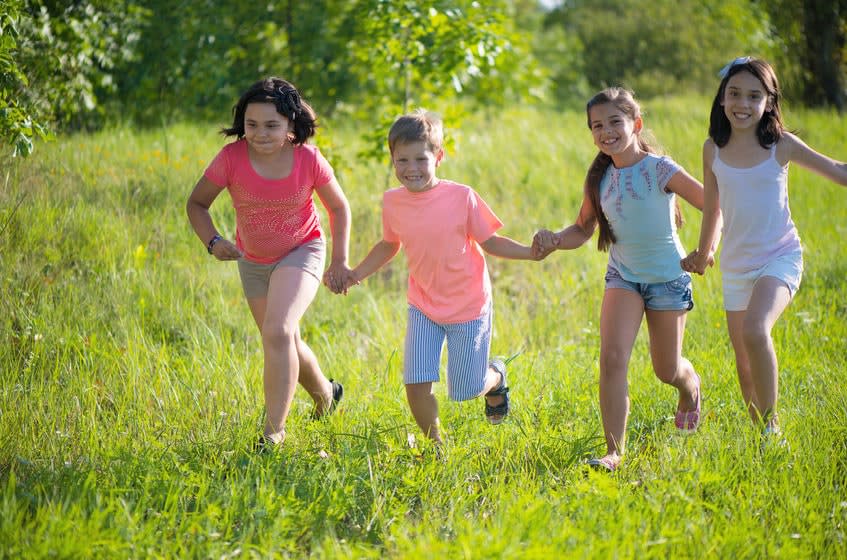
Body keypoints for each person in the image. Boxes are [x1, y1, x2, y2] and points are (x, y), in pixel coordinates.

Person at [330, 109, 546, 446]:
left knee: (467, 389)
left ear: (439, 157)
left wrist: (529, 252)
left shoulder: (462, 197)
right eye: (402, 160)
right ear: (392, 159)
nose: (411, 169)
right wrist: (356, 274)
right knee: (416, 383)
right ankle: (437, 446)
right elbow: (389, 245)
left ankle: (497, 375)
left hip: (468, 305)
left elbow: (490, 242)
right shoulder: (392, 201)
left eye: (420, 159)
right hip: (424, 305)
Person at [534, 87, 714, 472]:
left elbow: (710, 203)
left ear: (636, 124)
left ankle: (690, 385)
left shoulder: (660, 168)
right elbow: (582, 230)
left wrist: (705, 249)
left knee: (666, 369)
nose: (606, 131)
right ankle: (614, 452)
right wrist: (553, 240)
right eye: (597, 125)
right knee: (612, 359)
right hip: (624, 277)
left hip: (668, 278)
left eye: (614, 121)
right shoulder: (599, 178)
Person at [681, 57, 847, 440]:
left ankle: (773, 430)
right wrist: (705, 252)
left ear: (769, 102)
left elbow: (837, 170)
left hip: (780, 257)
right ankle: (760, 438)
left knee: (756, 330)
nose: (742, 103)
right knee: (744, 366)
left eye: (754, 96)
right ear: (722, 99)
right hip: (737, 266)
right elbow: (713, 207)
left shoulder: (781, 146)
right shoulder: (713, 150)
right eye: (734, 93)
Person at [186, 77, 356, 449]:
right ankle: (327, 395)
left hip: (303, 250)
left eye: (271, 125)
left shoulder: (307, 158)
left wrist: (340, 261)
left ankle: (273, 432)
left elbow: (339, 208)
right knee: (286, 338)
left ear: (291, 126)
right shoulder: (231, 158)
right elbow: (196, 204)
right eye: (252, 125)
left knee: (277, 332)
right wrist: (213, 241)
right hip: (253, 260)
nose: (260, 134)